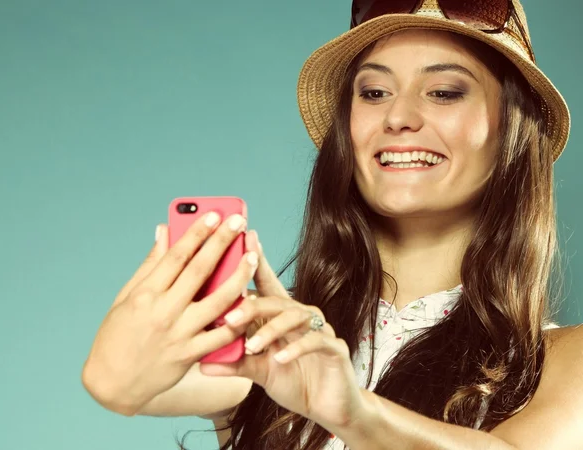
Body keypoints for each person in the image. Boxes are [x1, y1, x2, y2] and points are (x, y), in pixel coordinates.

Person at [82, 0, 582, 449]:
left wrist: (349, 409)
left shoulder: (566, 363)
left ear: (513, 134)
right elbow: (131, 383)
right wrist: (118, 375)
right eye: (374, 91)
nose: (398, 116)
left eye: (445, 92)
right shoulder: (274, 340)